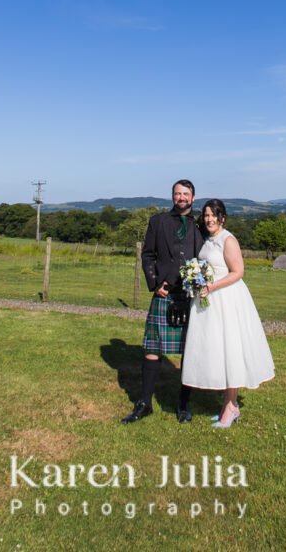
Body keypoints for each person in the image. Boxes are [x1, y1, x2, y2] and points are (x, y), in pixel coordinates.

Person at [181, 198, 275, 427]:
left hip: (227, 300)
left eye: (213, 215)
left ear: (222, 217)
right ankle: (228, 404)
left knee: (229, 349)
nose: (209, 219)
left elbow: (238, 272)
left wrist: (211, 287)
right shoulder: (208, 240)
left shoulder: (228, 239)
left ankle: (231, 407)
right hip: (208, 301)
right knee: (217, 350)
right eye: (206, 215)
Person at [122, 179, 206, 424]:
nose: (181, 197)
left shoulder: (201, 224)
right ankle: (144, 403)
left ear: (193, 197)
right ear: (172, 196)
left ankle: (183, 404)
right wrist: (155, 283)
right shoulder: (157, 222)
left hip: (190, 295)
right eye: (177, 193)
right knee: (152, 348)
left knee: (188, 350)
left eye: (186, 194)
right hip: (164, 293)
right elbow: (148, 254)